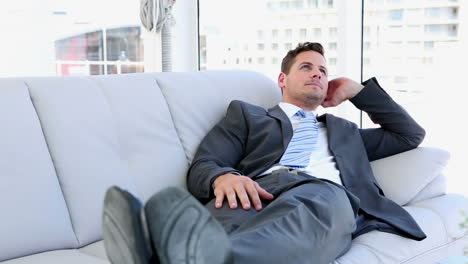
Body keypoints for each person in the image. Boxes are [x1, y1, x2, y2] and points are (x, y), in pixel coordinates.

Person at [102, 42, 426, 264]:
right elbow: (205, 163)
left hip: (322, 193)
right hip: (253, 190)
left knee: (312, 214)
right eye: (307, 67)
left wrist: (357, 91)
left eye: (324, 71)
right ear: (282, 79)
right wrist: (223, 177)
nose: (318, 73)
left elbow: (409, 134)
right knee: (206, 231)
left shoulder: (345, 133)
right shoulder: (247, 115)